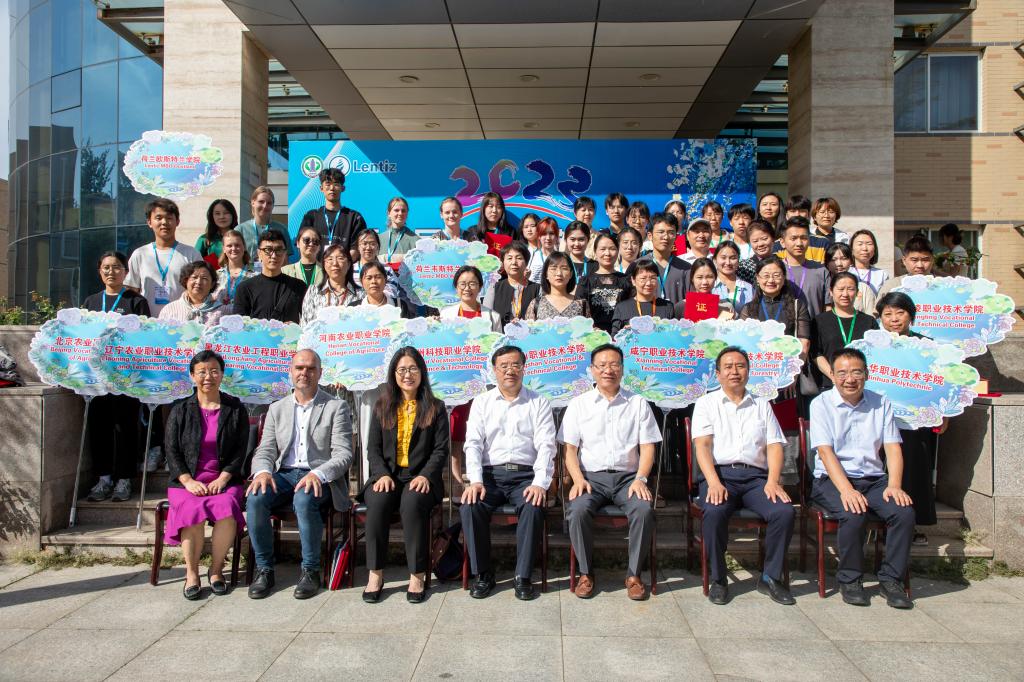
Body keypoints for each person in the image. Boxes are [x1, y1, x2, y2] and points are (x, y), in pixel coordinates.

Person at [809, 348, 915, 609]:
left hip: (874, 479)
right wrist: (846, 490)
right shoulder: (821, 404)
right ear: (832, 375)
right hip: (832, 480)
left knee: (904, 513)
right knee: (853, 513)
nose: (850, 379)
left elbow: (892, 448)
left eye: (856, 372)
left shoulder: (881, 403)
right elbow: (825, 452)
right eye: (842, 373)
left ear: (866, 374)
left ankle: (891, 580)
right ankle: (850, 579)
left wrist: (894, 485)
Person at [246, 349, 355, 600]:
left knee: (304, 499)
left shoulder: (335, 407)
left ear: (320, 373)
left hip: (320, 478)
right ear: (291, 371)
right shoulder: (277, 409)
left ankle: (310, 570)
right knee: (256, 498)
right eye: (299, 368)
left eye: (310, 368)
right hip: (283, 475)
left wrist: (318, 474)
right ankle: (264, 570)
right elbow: (266, 450)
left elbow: (343, 454)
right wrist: (262, 472)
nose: (304, 373)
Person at [691, 346, 795, 605]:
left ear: (748, 371)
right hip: (720, 475)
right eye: (728, 367)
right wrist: (713, 482)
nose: (734, 372)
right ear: (717, 374)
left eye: (740, 366)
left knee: (784, 511)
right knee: (714, 511)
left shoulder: (761, 405)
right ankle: (718, 579)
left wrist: (773, 481)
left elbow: (774, 446)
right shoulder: (706, 403)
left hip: (756, 479)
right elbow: (702, 446)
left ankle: (770, 577)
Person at [560, 344, 661, 600]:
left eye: (614, 364)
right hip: (590, 478)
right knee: (578, 510)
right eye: (602, 365)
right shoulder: (579, 404)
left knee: (643, 510)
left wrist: (641, 478)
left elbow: (648, 447)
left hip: (628, 479)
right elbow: (569, 450)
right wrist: (577, 479)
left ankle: (634, 575)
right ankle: (586, 573)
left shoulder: (638, 403)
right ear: (592, 370)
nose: (608, 370)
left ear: (622, 369)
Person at [460, 346, 557, 601]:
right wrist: (475, 481)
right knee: (470, 506)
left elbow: (546, 446)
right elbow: (473, 444)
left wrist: (540, 483)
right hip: (490, 476)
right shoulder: (482, 402)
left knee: (533, 506)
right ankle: (483, 574)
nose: (509, 371)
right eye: (503, 366)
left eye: (515, 365)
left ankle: (522, 576)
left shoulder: (538, 402)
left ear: (524, 368)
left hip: (525, 477)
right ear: (494, 370)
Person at [360, 347, 449, 603]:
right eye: (401, 370)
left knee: (412, 502)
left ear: (421, 372)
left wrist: (426, 475)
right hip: (388, 475)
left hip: (421, 478)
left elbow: (441, 450)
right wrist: (380, 474)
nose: (407, 375)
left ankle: (417, 575)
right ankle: (375, 574)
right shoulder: (382, 406)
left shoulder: (436, 407)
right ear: (393, 374)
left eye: (412, 369)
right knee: (377, 501)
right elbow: (373, 448)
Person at [164, 350, 249, 599]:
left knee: (227, 507)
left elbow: (240, 450)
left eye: (214, 371)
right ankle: (191, 573)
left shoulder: (235, 409)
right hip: (187, 481)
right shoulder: (180, 410)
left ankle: (216, 569)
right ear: (192, 376)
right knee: (191, 509)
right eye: (201, 372)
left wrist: (223, 478)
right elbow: (171, 450)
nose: (208, 377)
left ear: (222, 374)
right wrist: (187, 480)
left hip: (224, 479)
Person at [876, 292, 946, 546]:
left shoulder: (926, 346)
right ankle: (880, 524)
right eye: (888, 314)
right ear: (880, 318)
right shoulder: (873, 345)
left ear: (911, 316)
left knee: (914, 470)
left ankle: (912, 525)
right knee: (881, 471)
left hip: (915, 420)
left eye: (900, 313)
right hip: (880, 418)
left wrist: (943, 413)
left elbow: (941, 382)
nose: (894, 319)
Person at [82, 251, 150, 503]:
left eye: (117, 267)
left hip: (126, 378)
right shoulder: (90, 301)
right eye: (106, 267)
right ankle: (103, 479)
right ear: (99, 271)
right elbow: (82, 337)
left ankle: (124, 479)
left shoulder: (136, 301)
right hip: (96, 380)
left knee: (125, 428)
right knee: (98, 428)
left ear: (126, 271)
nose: (112, 272)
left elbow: (143, 337)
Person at [124, 199, 202, 316]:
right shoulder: (140, 254)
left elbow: (201, 290)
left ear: (177, 222)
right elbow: (131, 290)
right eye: (158, 218)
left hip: (182, 320)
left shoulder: (191, 254)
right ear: (149, 222)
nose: (164, 222)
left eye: (169, 218)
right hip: (148, 321)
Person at [811, 272, 879, 390]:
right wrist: (834, 377)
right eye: (841, 289)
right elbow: (816, 353)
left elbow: (876, 354)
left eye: (850, 289)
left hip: (861, 385)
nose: (845, 294)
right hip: (829, 384)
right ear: (831, 291)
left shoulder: (869, 322)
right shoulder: (819, 321)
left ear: (857, 292)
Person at [739, 256, 811, 354]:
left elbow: (804, 342)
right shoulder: (748, 309)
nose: (771, 280)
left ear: (784, 277)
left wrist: (796, 363)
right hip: (758, 361)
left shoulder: (797, 306)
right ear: (757, 278)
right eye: (766, 276)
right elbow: (743, 341)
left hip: (788, 360)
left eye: (776, 275)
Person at [233, 230, 307, 323]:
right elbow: (239, 326)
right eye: (268, 250)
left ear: (285, 253)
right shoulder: (245, 288)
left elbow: (308, 323)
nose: (274, 255)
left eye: (279, 250)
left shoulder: (298, 286)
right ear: (259, 253)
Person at [300, 167, 367, 258]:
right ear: (321, 188)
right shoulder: (311, 216)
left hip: (344, 266)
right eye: (328, 184)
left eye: (336, 184)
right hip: (316, 266)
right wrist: (318, 265)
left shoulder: (354, 217)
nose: (332, 188)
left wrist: (341, 264)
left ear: (343, 188)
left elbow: (356, 249)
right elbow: (303, 245)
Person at [575, 232, 630, 333]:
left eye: (612, 249)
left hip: (621, 335)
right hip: (593, 335)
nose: (607, 253)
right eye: (602, 249)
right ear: (595, 252)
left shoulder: (626, 280)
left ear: (618, 251)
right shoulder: (585, 282)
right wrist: (590, 329)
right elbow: (579, 311)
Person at [777, 217, 830, 319]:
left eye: (804, 238)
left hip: (814, 327)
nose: (799, 243)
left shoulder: (821, 270)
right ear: (782, 242)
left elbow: (828, 307)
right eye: (793, 238)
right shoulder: (775, 270)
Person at [301, 243, 360, 326]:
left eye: (340, 258)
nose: (335, 263)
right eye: (330, 259)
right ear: (324, 265)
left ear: (349, 264)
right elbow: (306, 324)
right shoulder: (313, 291)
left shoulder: (360, 294)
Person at [484, 242, 540, 328]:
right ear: (503, 262)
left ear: (526, 262)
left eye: (519, 258)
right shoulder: (494, 288)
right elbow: (487, 319)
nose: (514, 262)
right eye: (509, 258)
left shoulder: (538, 289)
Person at [611, 259, 674, 336]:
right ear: (633, 280)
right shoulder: (622, 308)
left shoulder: (667, 307)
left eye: (653, 278)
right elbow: (614, 338)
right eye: (643, 278)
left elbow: (673, 336)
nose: (648, 283)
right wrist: (624, 334)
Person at [642, 212, 690, 307]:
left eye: (671, 233)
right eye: (661, 232)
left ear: (676, 236)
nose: (666, 237)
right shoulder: (638, 265)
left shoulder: (686, 269)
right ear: (650, 236)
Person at [525, 252, 590, 320]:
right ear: (546, 274)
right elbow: (528, 326)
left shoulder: (581, 304)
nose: (559, 273)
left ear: (571, 274)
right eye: (553, 268)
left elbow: (588, 326)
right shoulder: (536, 304)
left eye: (564, 268)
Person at [158, 261, 225, 325]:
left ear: (212, 284)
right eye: (194, 277)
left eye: (204, 278)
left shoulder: (223, 311)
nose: (198, 282)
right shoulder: (169, 310)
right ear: (186, 280)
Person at [238, 185, 292, 262]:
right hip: (247, 269)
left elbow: (285, 260)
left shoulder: (281, 230)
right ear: (253, 203)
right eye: (261, 202)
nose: (265, 206)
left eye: (269, 203)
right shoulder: (241, 230)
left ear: (273, 206)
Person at [212, 230, 256, 310]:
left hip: (247, 316)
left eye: (237, 245)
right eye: (229, 246)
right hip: (221, 316)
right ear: (224, 249)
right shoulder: (216, 275)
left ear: (244, 247)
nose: (234, 248)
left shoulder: (256, 273)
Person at [465, 191, 513, 256]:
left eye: (498, 207)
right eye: (491, 206)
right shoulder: (472, 231)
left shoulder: (510, 231)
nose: (494, 210)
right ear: (484, 209)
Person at [711, 241, 753, 315]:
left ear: (738, 261)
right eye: (723, 258)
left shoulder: (748, 288)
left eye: (733, 258)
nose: (728, 262)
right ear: (715, 260)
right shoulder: (709, 286)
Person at [848, 229, 890, 304]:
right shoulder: (846, 272)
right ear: (851, 249)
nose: (864, 248)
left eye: (869, 244)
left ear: (875, 249)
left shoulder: (882, 274)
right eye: (860, 244)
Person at [195, 199, 239, 263]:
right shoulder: (204, 239)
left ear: (233, 215)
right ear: (212, 217)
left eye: (226, 213)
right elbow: (195, 264)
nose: (222, 217)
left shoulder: (241, 237)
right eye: (217, 213)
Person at [380, 197, 419, 265]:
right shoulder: (379, 239)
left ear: (407, 213)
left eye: (403, 211)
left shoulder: (416, 240)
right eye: (396, 210)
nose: (400, 213)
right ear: (388, 213)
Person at [737, 220, 776, 285]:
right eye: (755, 241)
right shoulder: (744, 267)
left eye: (764, 239)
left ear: (773, 238)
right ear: (749, 243)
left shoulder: (782, 262)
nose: (760, 244)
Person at [529, 217, 560, 284]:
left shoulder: (561, 258)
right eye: (544, 234)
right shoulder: (531, 256)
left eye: (551, 233)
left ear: (557, 235)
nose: (548, 238)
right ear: (539, 236)